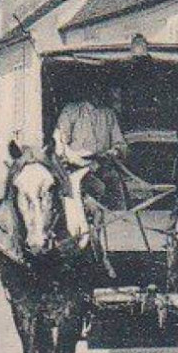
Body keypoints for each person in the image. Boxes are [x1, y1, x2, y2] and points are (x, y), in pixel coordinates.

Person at [52, 85, 129, 239]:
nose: (99, 94)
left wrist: (113, 152)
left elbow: (120, 144)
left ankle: (119, 237)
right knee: (96, 188)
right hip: (75, 167)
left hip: (102, 163)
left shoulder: (108, 114)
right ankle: (83, 232)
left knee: (117, 189)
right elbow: (60, 144)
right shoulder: (71, 111)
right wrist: (81, 162)